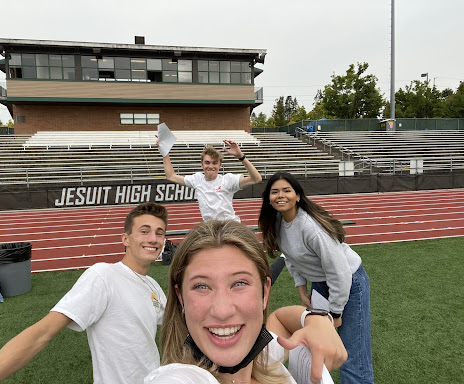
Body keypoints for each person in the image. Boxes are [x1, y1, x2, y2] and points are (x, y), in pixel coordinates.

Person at [0, 202, 169, 384]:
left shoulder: (153, 286)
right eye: (144, 231)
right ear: (125, 239)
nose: (153, 239)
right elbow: (43, 333)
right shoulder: (104, 275)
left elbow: (179, 325)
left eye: (159, 233)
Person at [144, 220, 347, 384]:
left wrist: (315, 320)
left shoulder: (261, 356)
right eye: (202, 286)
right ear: (181, 299)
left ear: (264, 292)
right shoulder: (181, 379)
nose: (222, 311)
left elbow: (281, 321)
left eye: (239, 283)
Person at [258, 172, 374, 384]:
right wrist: (302, 289)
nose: (280, 196)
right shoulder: (278, 222)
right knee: (317, 344)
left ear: (298, 196)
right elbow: (291, 258)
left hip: (348, 283)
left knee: (351, 352)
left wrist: (336, 311)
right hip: (321, 285)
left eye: (286, 190)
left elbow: (339, 271)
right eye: (275, 192)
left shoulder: (311, 227)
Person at [159, 139, 262, 222]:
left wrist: (241, 156)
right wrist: (165, 153)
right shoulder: (197, 179)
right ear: (202, 164)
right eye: (207, 162)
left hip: (230, 228)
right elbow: (171, 176)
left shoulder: (228, 180)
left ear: (220, 165)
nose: (211, 166)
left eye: (214, 163)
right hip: (211, 230)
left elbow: (256, 178)